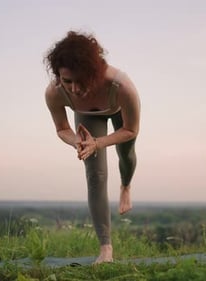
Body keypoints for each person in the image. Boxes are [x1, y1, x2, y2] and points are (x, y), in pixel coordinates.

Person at [44, 30, 141, 264]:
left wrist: (99, 142)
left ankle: (126, 185)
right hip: (87, 118)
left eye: (81, 80)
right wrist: (80, 142)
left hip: (119, 112)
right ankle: (106, 249)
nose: (75, 89)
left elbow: (130, 130)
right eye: (67, 81)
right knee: (95, 175)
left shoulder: (121, 86)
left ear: (94, 73)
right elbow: (62, 129)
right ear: (58, 76)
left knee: (126, 154)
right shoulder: (54, 93)